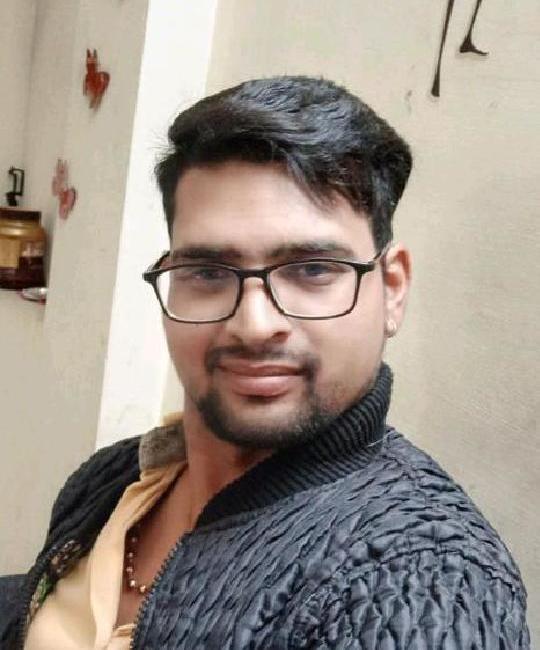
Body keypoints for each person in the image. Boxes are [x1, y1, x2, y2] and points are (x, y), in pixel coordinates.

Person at [0, 76, 530, 649]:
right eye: (207, 272)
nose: (254, 326)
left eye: (312, 270)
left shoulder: (420, 579)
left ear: (392, 289)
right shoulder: (115, 481)